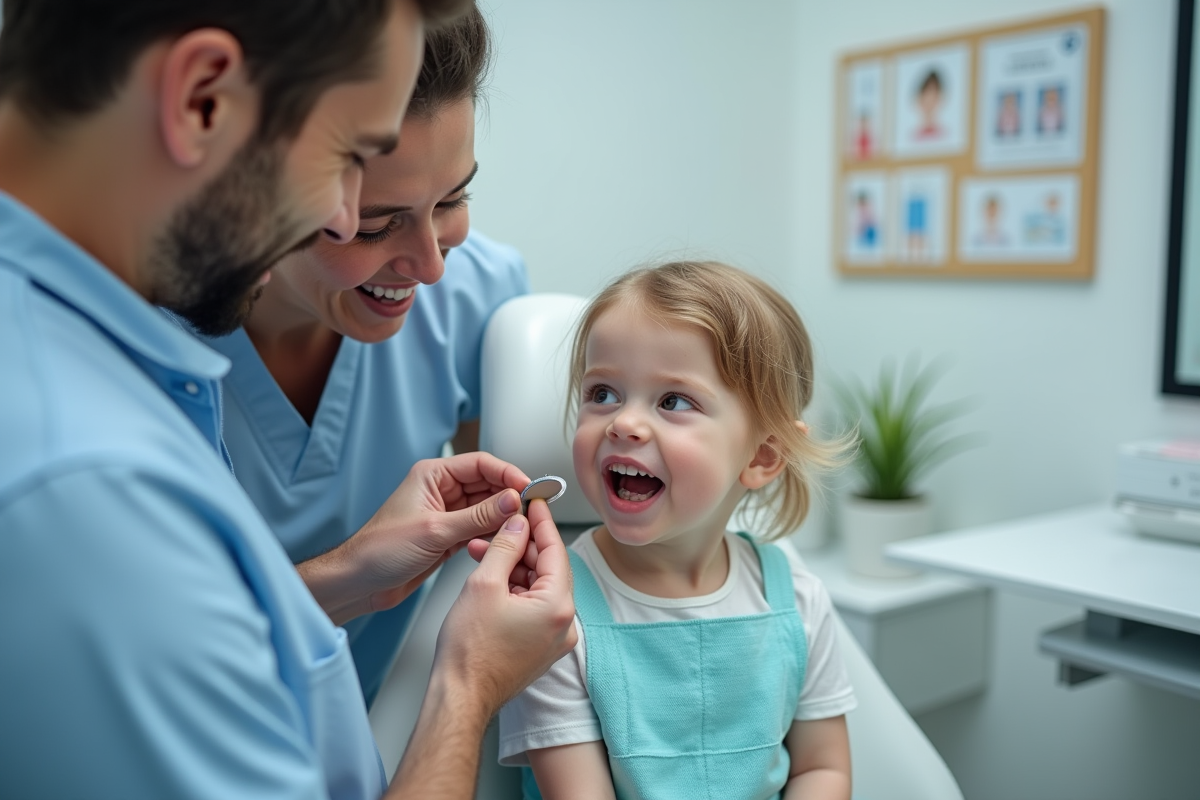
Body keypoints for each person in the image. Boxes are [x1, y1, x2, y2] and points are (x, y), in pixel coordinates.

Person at [0, 2, 575, 798]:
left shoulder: (101, 345)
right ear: (202, 98)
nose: (337, 211)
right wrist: (467, 682)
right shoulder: (85, 479)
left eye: (451, 201)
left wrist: (343, 579)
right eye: (350, 170)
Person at [207, 6, 528, 707]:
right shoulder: (149, 344)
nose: (430, 267)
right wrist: (348, 576)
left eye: (453, 199)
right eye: (376, 224)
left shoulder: (484, 299)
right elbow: (144, 650)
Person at [499, 262, 857, 799]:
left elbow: (822, 771)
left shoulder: (795, 599)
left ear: (762, 455)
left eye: (673, 401)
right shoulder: (552, 613)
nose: (623, 422)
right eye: (602, 393)